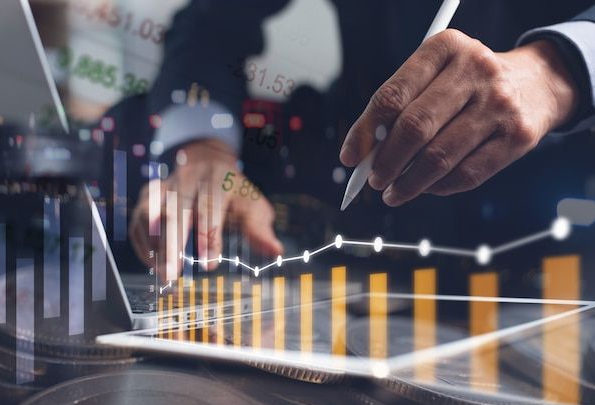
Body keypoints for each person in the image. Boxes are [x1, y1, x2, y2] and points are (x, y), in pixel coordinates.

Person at [128, 0, 595, 277]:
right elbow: (211, 24)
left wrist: (557, 72)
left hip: (554, 249)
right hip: (356, 217)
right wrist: (205, 150)